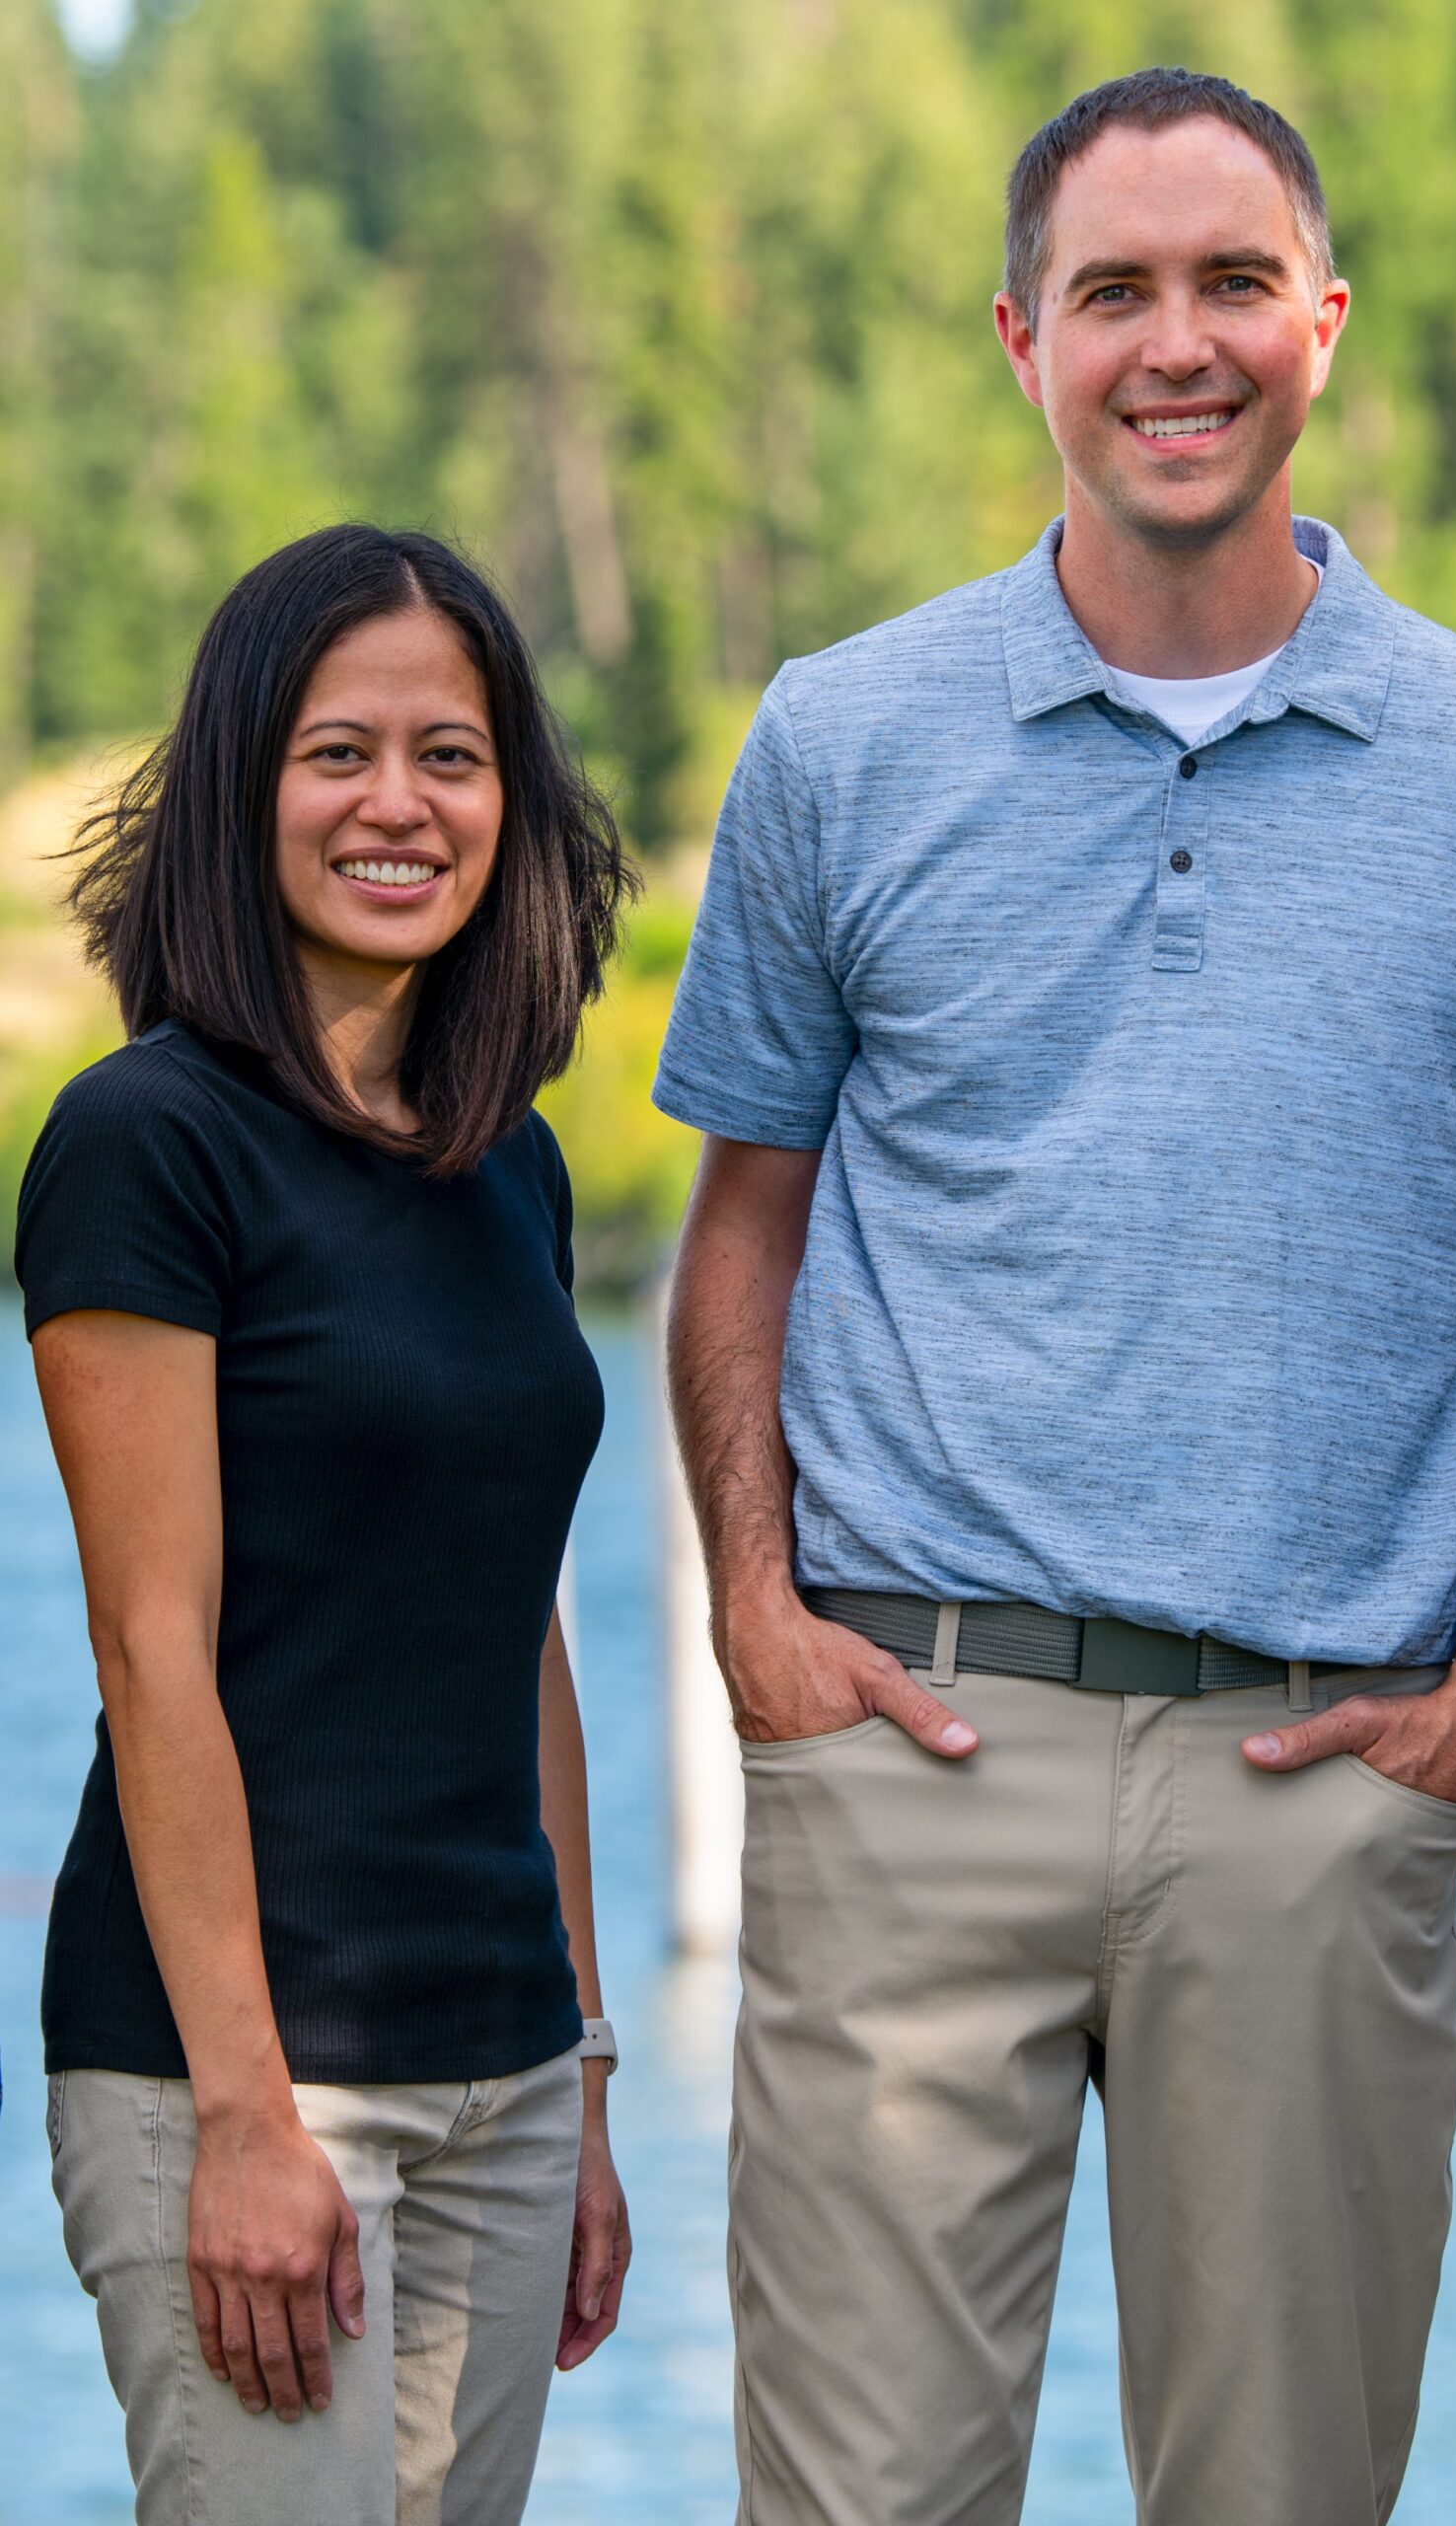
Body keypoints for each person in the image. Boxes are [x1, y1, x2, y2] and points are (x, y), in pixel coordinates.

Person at [654, 64, 1456, 2526]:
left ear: (1322, 323)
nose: (1175, 340)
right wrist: (754, 1628)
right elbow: (743, 1228)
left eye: (1232, 281)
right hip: (912, 1744)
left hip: (1315, 1782)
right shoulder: (839, 737)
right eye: (1112, 290)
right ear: (1022, 338)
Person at [18, 524, 637, 2526]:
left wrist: (592, 2062)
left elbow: (514, 1626)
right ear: (239, 791)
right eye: (336, 750)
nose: (399, 803)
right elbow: (150, 1648)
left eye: (450, 755)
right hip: (253, 2064)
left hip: (508, 2066)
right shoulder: (146, 1143)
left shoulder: (512, 1165)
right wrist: (244, 2111)